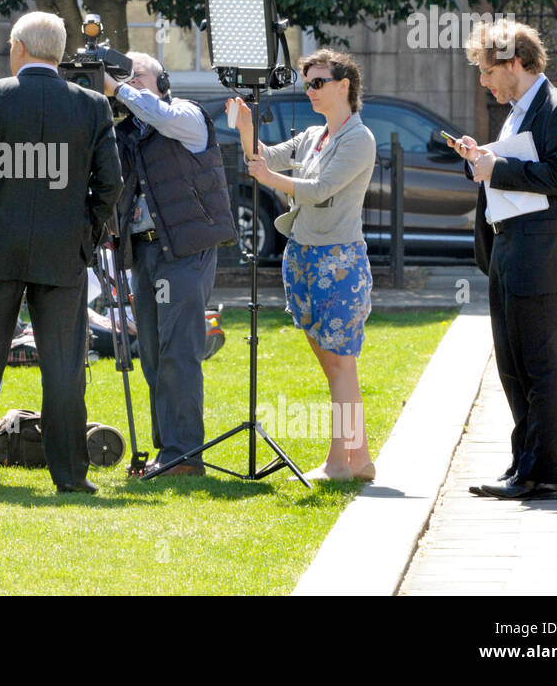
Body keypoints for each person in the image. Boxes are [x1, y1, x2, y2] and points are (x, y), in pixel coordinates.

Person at [0, 11, 123, 494]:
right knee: (64, 369)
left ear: (18, 48)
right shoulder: (92, 105)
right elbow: (111, 184)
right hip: (63, 252)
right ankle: (71, 477)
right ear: (58, 52)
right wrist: (86, 234)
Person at [452, 21, 557, 501]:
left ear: (515, 63)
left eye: (488, 71)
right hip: (509, 250)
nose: (484, 82)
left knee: (541, 367)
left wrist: (499, 167)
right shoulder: (516, 112)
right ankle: (522, 466)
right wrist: (480, 158)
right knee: (513, 367)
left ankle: (544, 474)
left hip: (541, 257)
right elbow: (515, 167)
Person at [229, 49, 377, 481]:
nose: (310, 90)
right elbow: (266, 159)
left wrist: (268, 178)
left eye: (318, 82)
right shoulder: (314, 135)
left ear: (344, 85)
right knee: (332, 364)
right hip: (303, 255)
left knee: (339, 363)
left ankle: (339, 463)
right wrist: (246, 130)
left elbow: (320, 188)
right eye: (307, 83)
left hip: (339, 261)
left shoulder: (359, 139)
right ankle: (359, 458)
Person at [104, 52, 237, 477]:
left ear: (161, 79)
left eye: (136, 76)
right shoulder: (124, 132)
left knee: (178, 349)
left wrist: (118, 88)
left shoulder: (187, 115)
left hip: (184, 247)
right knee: (153, 354)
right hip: (143, 250)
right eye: (124, 78)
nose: (128, 83)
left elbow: (158, 114)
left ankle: (185, 455)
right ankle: (169, 452)